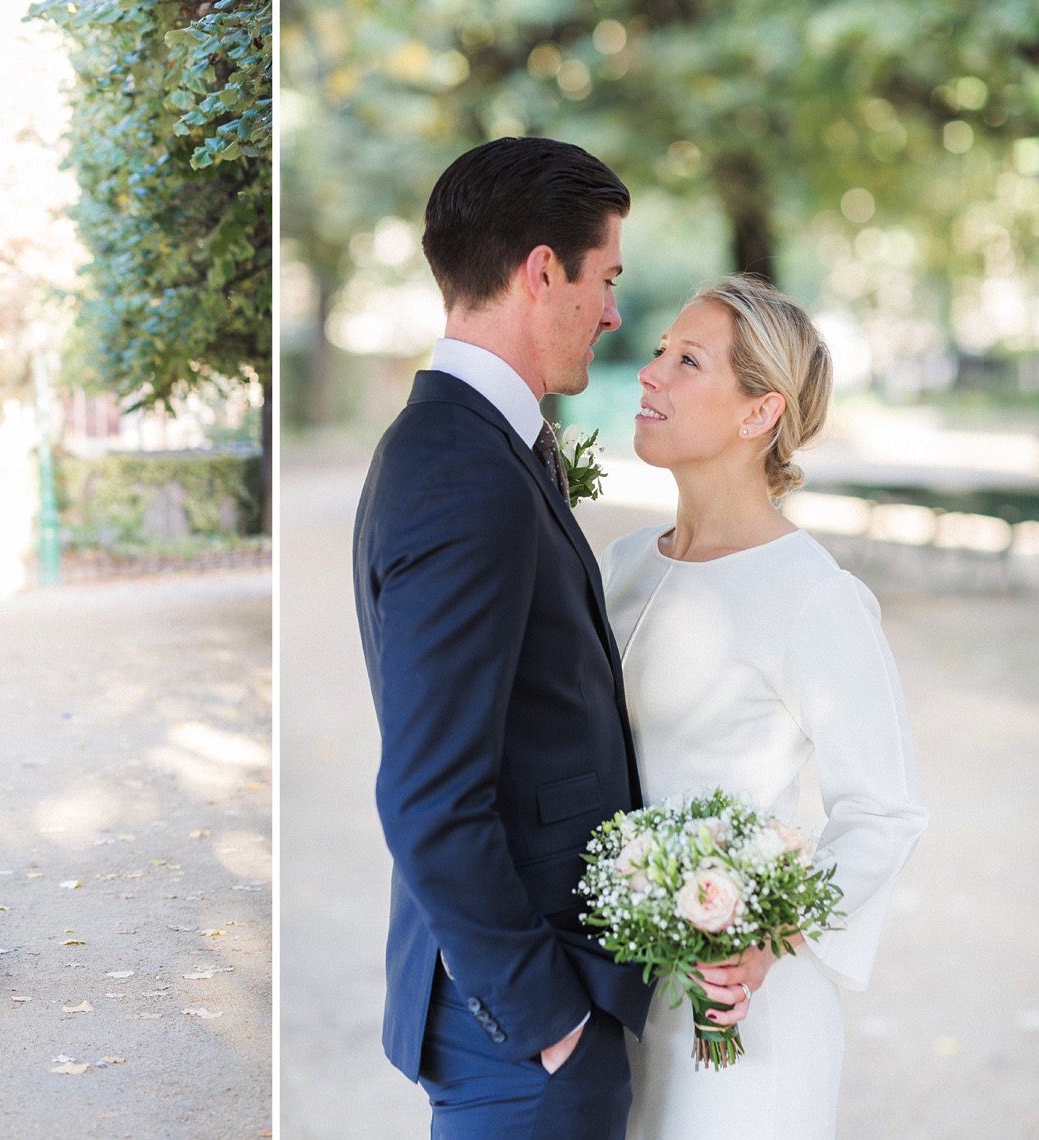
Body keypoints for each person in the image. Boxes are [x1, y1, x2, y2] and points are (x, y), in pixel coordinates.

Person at [352, 136, 654, 1138]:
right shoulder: (460, 470)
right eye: (603, 277)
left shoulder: (472, 443)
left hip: (526, 1017)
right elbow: (427, 793)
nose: (613, 312)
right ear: (540, 272)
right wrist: (549, 1023)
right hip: (519, 1036)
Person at [601, 274, 929, 1138]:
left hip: (740, 1014)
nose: (650, 373)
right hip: (618, 990)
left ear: (759, 414)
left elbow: (885, 810)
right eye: (660, 351)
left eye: (688, 360)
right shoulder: (622, 565)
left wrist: (769, 938)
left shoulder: (816, 597)